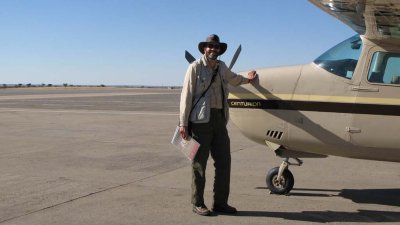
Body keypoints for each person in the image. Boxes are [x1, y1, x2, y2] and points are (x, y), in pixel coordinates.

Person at [179, 34, 257, 216]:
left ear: (219, 50)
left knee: (224, 162)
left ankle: (220, 203)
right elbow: (186, 96)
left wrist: (249, 79)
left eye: (216, 47)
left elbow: (235, 79)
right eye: (210, 46)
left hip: (220, 120)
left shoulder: (222, 67)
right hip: (200, 122)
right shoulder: (195, 68)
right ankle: (198, 203)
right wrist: (183, 123)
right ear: (204, 49)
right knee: (199, 164)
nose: (213, 49)